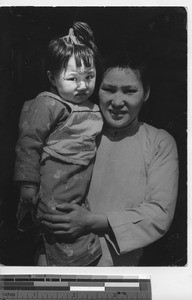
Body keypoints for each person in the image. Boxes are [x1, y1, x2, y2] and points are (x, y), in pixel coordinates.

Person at [39, 51, 179, 266]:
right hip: (55, 257)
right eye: (109, 89)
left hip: (117, 267)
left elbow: (159, 213)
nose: (117, 101)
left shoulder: (159, 142)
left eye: (130, 91)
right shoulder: (75, 131)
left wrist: (90, 221)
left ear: (146, 93)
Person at [14, 21, 103, 266]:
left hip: (79, 186)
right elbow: (28, 143)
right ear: (52, 78)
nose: (83, 85)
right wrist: (28, 185)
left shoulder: (95, 108)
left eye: (90, 76)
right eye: (73, 78)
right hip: (52, 184)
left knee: (75, 228)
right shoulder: (48, 103)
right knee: (53, 228)